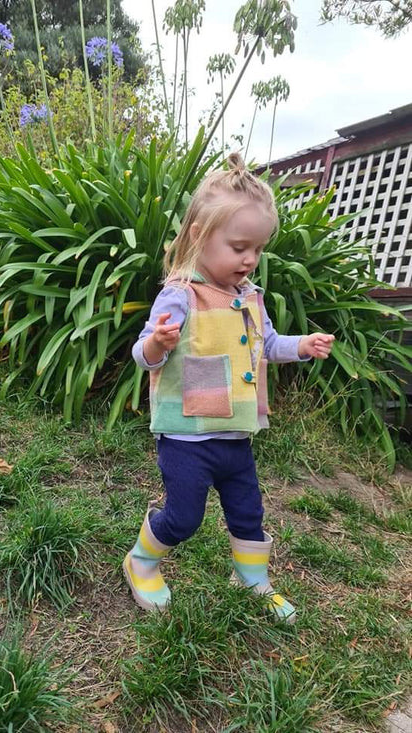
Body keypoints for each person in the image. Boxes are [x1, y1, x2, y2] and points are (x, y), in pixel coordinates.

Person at [122, 152, 335, 624]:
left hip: (236, 435)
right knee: (184, 517)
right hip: (187, 436)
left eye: (257, 249)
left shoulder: (251, 297)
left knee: (247, 510)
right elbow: (142, 356)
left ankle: (253, 578)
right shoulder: (180, 293)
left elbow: (269, 343)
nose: (250, 259)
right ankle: (142, 561)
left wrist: (303, 345)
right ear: (200, 235)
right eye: (240, 246)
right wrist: (158, 342)